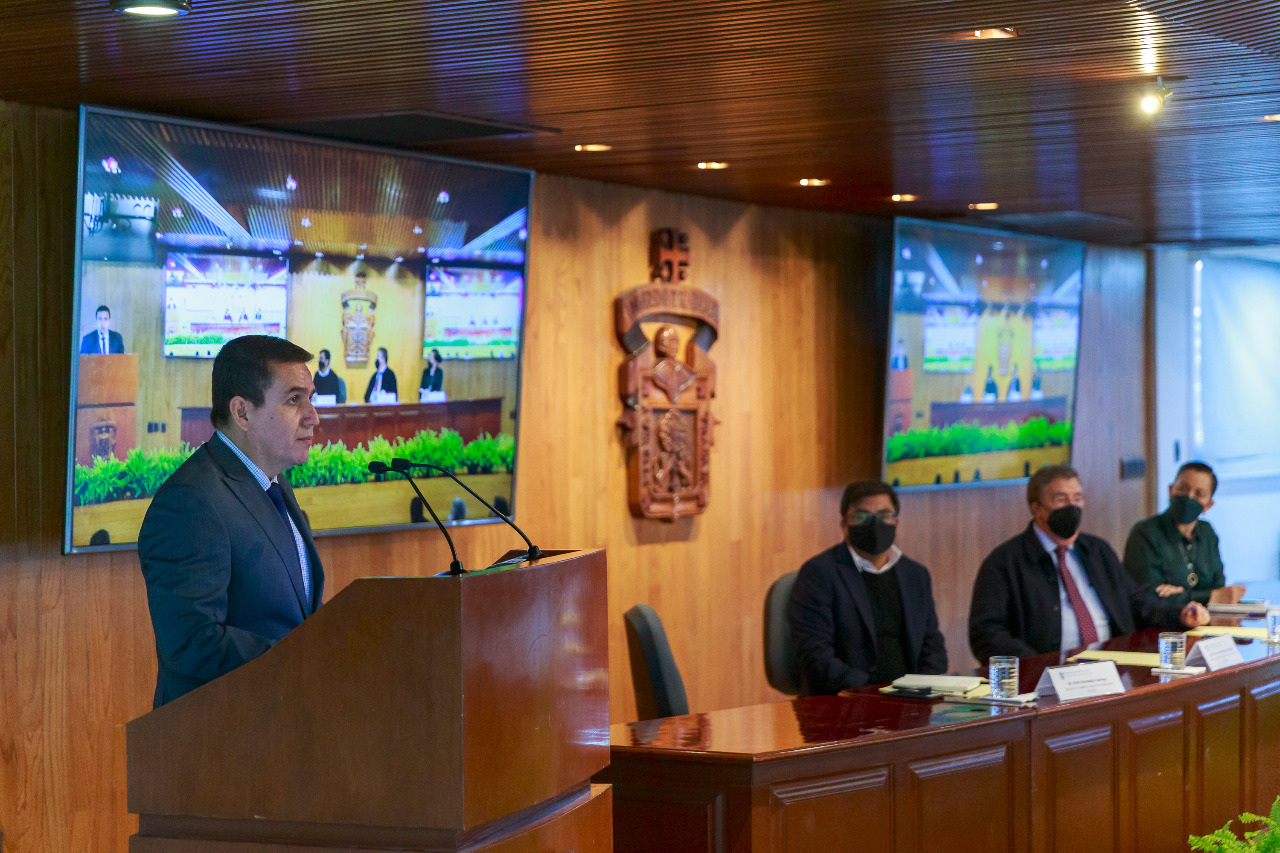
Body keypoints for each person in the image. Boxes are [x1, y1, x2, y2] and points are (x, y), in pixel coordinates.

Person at [137, 335, 324, 707]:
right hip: (221, 732)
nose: (312, 416)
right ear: (242, 413)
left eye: (311, 398)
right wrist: (304, 661)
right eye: (294, 400)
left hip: (284, 721)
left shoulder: (273, 481)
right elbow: (191, 641)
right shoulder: (190, 502)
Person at [968, 464, 1209, 664]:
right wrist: (1039, 664)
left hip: (1114, 666)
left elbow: (1137, 601)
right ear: (1037, 508)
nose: (1072, 506)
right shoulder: (1004, 563)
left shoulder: (1098, 551)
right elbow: (986, 635)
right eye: (1061, 499)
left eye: (1077, 498)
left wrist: (1179, 614)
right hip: (1046, 675)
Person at [787, 480, 947, 695]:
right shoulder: (819, 574)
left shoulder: (915, 575)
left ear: (896, 523)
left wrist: (921, 691)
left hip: (912, 700)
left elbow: (933, 648)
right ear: (844, 525)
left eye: (883, 516)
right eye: (862, 517)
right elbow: (817, 658)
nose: (874, 525)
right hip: (846, 702)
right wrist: (875, 694)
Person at [1123, 461, 1243, 607]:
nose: (1189, 497)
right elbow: (1149, 596)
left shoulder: (1207, 532)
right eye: (1183, 489)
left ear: (1208, 505)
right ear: (1171, 490)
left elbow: (1219, 587)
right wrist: (1210, 596)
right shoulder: (1144, 533)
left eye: (1199, 494)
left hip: (1206, 618)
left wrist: (1182, 595)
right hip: (1162, 621)